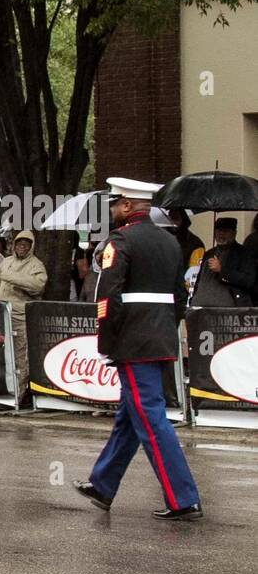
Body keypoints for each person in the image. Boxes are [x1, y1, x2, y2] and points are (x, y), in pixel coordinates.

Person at [74, 178, 202, 521]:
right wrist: (164, 330)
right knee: (131, 416)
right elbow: (179, 298)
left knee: (150, 417)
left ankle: (183, 498)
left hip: (132, 340)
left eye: (116, 203)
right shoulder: (170, 242)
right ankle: (103, 484)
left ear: (129, 205)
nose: (113, 209)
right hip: (159, 338)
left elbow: (108, 298)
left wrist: (106, 341)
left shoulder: (121, 240)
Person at [0, 230, 48, 395]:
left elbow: (37, 287)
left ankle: (17, 393)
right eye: (19, 243)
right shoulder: (6, 262)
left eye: (26, 244)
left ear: (31, 246)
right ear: (14, 245)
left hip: (20, 317)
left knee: (20, 356)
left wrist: (11, 277)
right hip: (1, 315)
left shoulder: (36, 265)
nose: (22, 246)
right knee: (0, 355)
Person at [190, 217, 255, 308]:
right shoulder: (209, 253)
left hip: (229, 311)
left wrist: (222, 271)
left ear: (234, 233)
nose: (221, 234)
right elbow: (199, 281)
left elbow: (248, 281)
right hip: (201, 307)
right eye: (218, 231)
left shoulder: (244, 254)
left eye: (225, 231)